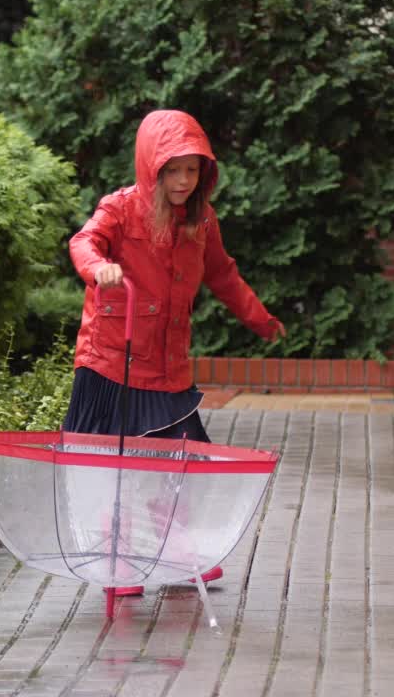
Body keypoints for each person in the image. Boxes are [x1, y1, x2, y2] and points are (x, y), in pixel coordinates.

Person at [62, 109, 284, 596]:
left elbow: (222, 273)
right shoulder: (119, 209)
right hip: (112, 361)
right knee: (115, 466)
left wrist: (258, 318)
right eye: (174, 169)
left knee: (177, 463)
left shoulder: (202, 221)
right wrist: (98, 267)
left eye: (193, 170)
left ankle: (176, 553)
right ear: (152, 167)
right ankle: (117, 564)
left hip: (169, 368)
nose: (184, 180)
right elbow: (84, 241)